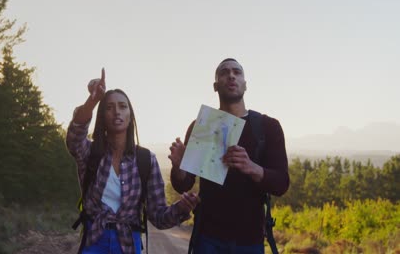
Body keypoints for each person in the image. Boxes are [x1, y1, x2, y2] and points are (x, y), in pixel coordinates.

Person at [66, 68, 200, 254]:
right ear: (102, 116)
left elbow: (158, 216)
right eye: (109, 107)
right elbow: (75, 134)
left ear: (130, 116)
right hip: (94, 242)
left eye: (122, 106)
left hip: (128, 244)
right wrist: (93, 100)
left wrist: (182, 208)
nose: (116, 112)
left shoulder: (145, 160)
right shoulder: (90, 152)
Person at [169, 58, 290, 254]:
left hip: (249, 240)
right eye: (224, 72)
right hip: (207, 237)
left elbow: (281, 183)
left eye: (237, 72)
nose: (231, 75)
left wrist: (252, 167)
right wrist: (178, 166)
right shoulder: (202, 126)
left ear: (245, 84)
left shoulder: (267, 127)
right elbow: (184, 184)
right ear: (216, 86)